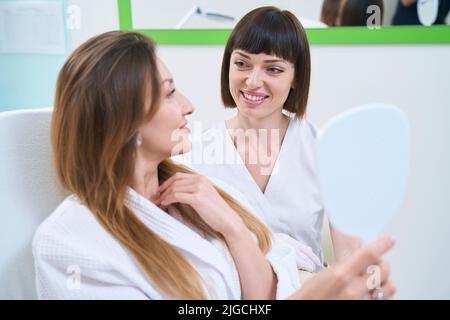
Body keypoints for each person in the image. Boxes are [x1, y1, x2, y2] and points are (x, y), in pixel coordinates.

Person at [33, 31, 395, 300]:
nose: (189, 105)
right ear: (124, 124)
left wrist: (234, 228)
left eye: (273, 68)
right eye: (170, 93)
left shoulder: (194, 193)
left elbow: (265, 289)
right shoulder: (70, 245)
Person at [174, 6, 361, 272]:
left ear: (296, 76)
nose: (252, 81)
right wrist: (269, 244)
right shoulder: (196, 153)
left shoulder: (323, 149)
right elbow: (191, 252)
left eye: (273, 69)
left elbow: (351, 258)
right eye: (242, 63)